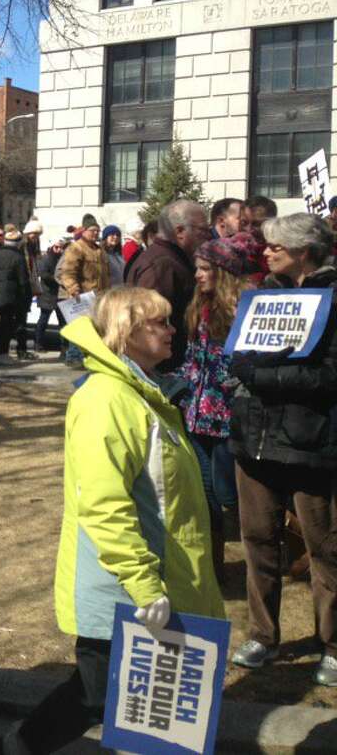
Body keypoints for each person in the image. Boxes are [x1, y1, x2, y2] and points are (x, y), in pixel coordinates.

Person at [0, 287, 224, 755]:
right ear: (125, 332)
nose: (173, 330)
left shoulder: (140, 392)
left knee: (131, 704)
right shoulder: (107, 399)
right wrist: (145, 585)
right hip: (128, 590)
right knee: (97, 695)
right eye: (160, 322)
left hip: (157, 581)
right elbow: (104, 506)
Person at [226, 213, 337, 685]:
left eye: (276, 247)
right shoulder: (262, 296)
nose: (266, 253)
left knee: (325, 546)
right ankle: (263, 636)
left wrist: (262, 376)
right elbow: (239, 353)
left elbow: (329, 376)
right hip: (255, 438)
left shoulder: (333, 298)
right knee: (257, 541)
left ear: (305, 252)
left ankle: (331, 645)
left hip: (311, 441)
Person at [172, 232, 260, 587]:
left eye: (205, 268)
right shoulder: (199, 308)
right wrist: (172, 384)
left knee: (231, 497)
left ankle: (267, 561)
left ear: (222, 271)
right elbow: (193, 363)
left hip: (229, 421)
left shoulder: (246, 307)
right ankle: (213, 570)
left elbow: (245, 365)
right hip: (196, 419)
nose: (197, 275)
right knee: (206, 501)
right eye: (197, 268)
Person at [128, 199, 210, 370]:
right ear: (180, 231)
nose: (208, 235)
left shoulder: (171, 258)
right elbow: (148, 323)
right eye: (202, 229)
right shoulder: (162, 264)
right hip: (163, 369)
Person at [59, 217, 110, 370]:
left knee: (96, 329)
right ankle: (74, 358)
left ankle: (91, 358)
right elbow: (67, 271)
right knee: (81, 328)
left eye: (97, 231)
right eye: (92, 230)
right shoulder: (76, 248)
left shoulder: (99, 250)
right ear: (84, 231)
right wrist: (73, 289)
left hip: (99, 297)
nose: (95, 233)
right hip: (82, 296)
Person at [0, 228, 34, 366]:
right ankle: (2, 355)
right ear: (17, 244)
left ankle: (0, 354)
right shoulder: (18, 258)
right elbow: (23, 281)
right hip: (12, 298)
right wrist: (25, 298)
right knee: (6, 327)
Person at [34, 237, 68, 357]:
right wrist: (58, 279)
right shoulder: (46, 259)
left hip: (60, 295)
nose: (59, 250)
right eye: (56, 247)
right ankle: (38, 344)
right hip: (47, 294)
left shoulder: (64, 259)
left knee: (63, 323)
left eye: (61, 247)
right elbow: (43, 274)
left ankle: (64, 348)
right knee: (43, 320)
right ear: (52, 247)